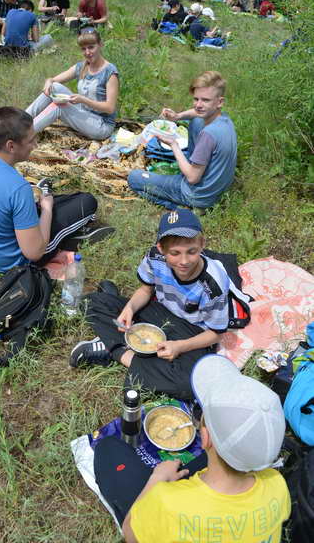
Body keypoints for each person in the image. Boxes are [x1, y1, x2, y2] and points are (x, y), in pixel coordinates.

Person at [93, 354, 290, 542]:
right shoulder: (278, 485)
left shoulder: (169, 502)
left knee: (108, 447)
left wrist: (157, 479)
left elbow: (130, 534)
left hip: (163, 510)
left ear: (204, 438)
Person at [70, 209, 251, 399]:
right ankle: (139, 360)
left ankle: (117, 352)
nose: (184, 261)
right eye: (174, 253)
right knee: (90, 303)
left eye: (192, 252)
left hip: (193, 330)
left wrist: (180, 347)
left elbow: (215, 334)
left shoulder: (212, 284)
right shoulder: (154, 257)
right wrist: (129, 308)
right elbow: (145, 291)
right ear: (161, 249)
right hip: (160, 311)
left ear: (202, 245)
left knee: (190, 385)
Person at [0, 107, 101, 273]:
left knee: (49, 201)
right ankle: (71, 236)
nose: (35, 145)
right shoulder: (18, 188)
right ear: (11, 146)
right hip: (12, 264)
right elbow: (34, 253)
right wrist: (47, 210)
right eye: (30, 141)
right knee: (86, 201)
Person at [127, 71, 236, 209]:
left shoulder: (208, 135)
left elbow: (192, 178)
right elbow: (197, 113)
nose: (198, 105)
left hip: (197, 195)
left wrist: (174, 145)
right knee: (196, 121)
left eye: (205, 100)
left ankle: (179, 207)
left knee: (134, 178)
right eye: (196, 99)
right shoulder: (225, 119)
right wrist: (177, 116)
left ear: (220, 102)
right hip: (217, 189)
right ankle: (192, 164)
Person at [25, 29, 119, 138]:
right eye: (83, 49)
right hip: (84, 112)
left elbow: (110, 108)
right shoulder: (82, 66)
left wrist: (83, 100)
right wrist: (48, 82)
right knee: (54, 87)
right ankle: (20, 120)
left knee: (59, 107)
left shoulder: (110, 72)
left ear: (100, 45)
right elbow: (53, 80)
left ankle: (23, 134)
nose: (87, 52)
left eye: (91, 47)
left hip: (101, 124)